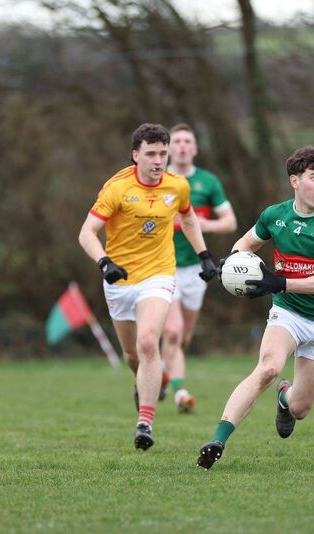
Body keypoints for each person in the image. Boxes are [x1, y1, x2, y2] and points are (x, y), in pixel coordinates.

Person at [195, 145, 314, 470]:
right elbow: (244, 243)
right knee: (268, 368)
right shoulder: (275, 216)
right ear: (294, 181)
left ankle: (284, 398)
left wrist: (278, 282)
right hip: (288, 314)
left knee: (301, 408)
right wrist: (233, 265)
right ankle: (217, 440)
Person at [78, 123, 218, 451]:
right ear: (135, 155)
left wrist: (205, 256)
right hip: (120, 279)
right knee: (132, 354)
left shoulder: (177, 186)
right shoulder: (116, 188)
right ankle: (145, 383)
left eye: (162, 154)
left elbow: (189, 219)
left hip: (159, 274)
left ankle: (145, 422)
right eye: (151, 154)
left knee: (147, 342)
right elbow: (86, 233)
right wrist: (104, 263)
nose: (158, 160)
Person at [162, 123, 237, 413]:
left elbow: (230, 222)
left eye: (187, 141)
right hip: (163, 266)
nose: (181, 146)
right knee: (172, 332)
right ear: (169, 148)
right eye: (176, 141)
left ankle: (162, 375)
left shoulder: (209, 182)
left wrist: (204, 225)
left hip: (196, 269)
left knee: (184, 337)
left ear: (195, 148)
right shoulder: (161, 179)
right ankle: (180, 392)